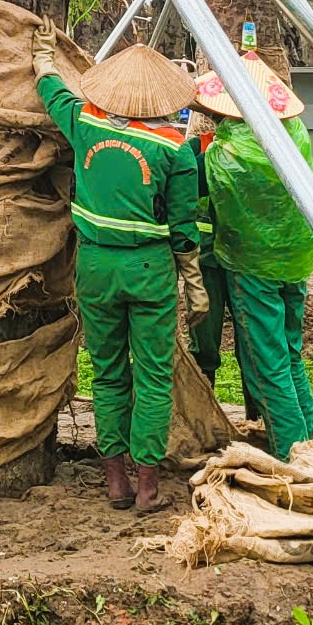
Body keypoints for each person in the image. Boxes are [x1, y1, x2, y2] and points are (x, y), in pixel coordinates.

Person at [32, 29, 200, 515]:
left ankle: (115, 483)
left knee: (106, 374)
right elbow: (184, 226)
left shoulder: (84, 123)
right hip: (149, 269)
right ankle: (148, 487)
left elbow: (53, 90)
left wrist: (44, 57)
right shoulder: (175, 148)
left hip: (95, 267)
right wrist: (193, 282)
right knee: (152, 376)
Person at [193, 56, 313, 461]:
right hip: (296, 260)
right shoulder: (295, 131)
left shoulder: (228, 151)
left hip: (252, 267)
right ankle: (310, 440)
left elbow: (189, 181)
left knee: (268, 360)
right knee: (290, 350)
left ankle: (291, 452)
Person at [184, 112, 231, 386]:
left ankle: (257, 415)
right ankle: (205, 402)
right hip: (205, 260)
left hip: (241, 258)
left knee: (252, 343)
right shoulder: (192, 151)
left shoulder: (246, 149)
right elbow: (191, 185)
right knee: (204, 339)